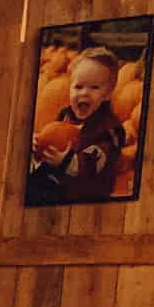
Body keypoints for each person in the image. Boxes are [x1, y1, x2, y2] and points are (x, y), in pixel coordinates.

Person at [28, 45, 128, 204]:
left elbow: (96, 161)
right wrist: (38, 144)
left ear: (108, 94)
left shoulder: (109, 128)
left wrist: (67, 161)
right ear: (70, 88)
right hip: (59, 183)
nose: (84, 93)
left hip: (87, 195)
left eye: (94, 87)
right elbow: (52, 136)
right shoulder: (65, 115)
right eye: (78, 87)